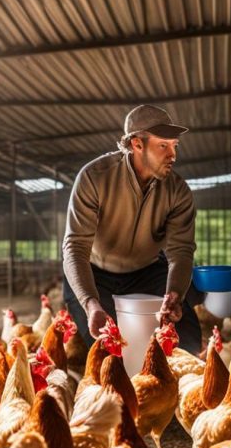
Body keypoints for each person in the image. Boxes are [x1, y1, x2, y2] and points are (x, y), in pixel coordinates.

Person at [62, 104, 202, 355]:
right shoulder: (94, 178)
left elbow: (181, 251)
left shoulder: (178, 191)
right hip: (94, 273)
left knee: (187, 337)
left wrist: (175, 294)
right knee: (104, 348)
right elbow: (75, 248)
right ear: (137, 144)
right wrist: (90, 303)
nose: (173, 155)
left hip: (147, 271)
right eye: (163, 146)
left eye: (175, 146)